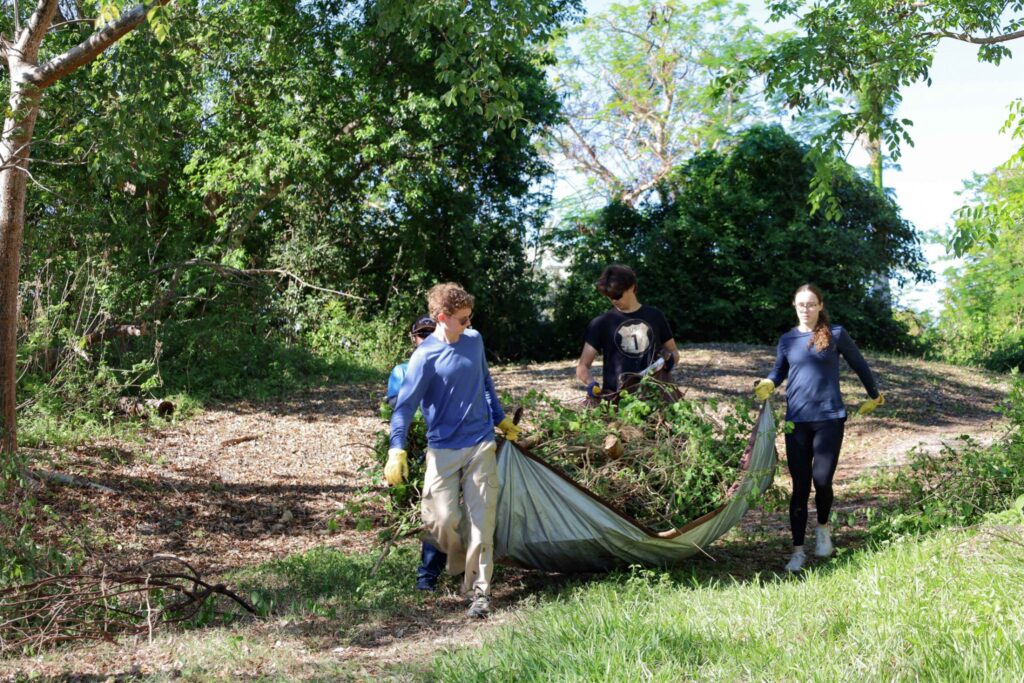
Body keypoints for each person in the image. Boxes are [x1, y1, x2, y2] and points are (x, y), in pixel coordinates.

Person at [384, 283, 521, 619]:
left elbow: (485, 382)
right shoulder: (424, 357)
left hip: (480, 444)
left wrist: (502, 421)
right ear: (442, 318)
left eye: (470, 317)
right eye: (462, 319)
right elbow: (403, 408)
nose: (468, 324)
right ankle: (460, 561)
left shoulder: (474, 342)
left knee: (481, 523)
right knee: (441, 522)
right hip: (443, 449)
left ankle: (480, 594)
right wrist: (396, 449)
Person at [754, 283, 885, 572]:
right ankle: (797, 551)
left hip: (829, 418)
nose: (806, 309)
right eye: (801, 304)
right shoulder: (787, 339)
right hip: (796, 422)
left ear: (820, 306)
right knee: (799, 487)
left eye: (811, 304)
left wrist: (874, 394)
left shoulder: (835, 334)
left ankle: (823, 528)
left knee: (822, 480)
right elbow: (779, 371)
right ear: (794, 305)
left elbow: (860, 364)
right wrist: (769, 383)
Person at [384, 314, 449, 592]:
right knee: (436, 512)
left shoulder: (452, 362)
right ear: (413, 339)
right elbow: (400, 408)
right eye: (421, 335)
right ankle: (428, 577)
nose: (425, 339)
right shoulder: (402, 371)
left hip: (452, 442)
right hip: (422, 447)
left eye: (430, 334)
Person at [576, 264, 679, 399]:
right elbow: (583, 366)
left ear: (632, 287)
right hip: (617, 399)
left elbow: (673, 352)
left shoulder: (655, 316)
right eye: (609, 296)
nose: (614, 300)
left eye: (618, 295)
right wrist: (591, 384)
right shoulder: (601, 323)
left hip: (656, 397)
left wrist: (670, 361)